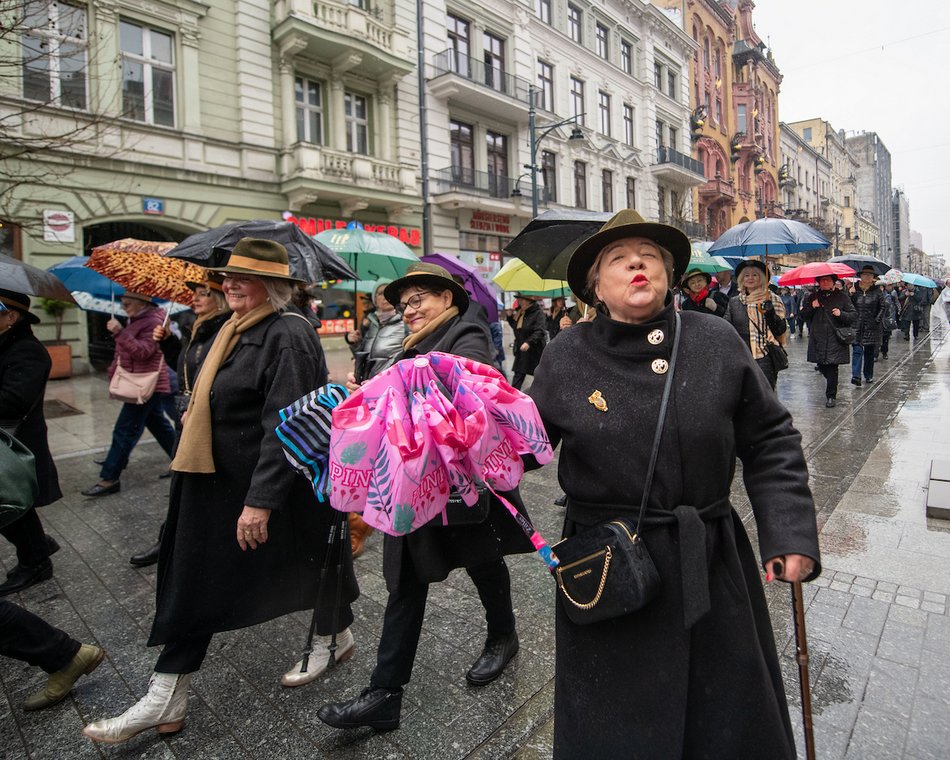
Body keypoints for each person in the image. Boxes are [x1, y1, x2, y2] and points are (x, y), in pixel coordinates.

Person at [527, 209, 820, 759]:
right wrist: (461, 432)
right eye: (617, 257)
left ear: (667, 274)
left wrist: (789, 532)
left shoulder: (715, 340)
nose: (637, 262)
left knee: (724, 720)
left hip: (707, 558)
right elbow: (519, 448)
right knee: (617, 727)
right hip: (607, 566)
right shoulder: (566, 354)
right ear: (595, 285)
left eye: (650, 255)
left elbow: (771, 439)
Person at [82, 239, 359, 743]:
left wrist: (261, 501)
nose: (227, 283)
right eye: (227, 276)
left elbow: (287, 425)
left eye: (243, 277)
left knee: (285, 564)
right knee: (199, 577)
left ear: (273, 286)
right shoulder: (231, 327)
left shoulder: (287, 334)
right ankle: (170, 694)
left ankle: (332, 634)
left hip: (255, 484)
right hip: (212, 477)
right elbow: (216, 388)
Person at [318, 262, 533, 731]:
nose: (409, 310)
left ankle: (503, 635)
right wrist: (371, 389)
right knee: (405, 580)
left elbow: (461, 389)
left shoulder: (466, 332)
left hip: (463, 483)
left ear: (448, 299)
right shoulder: (411, 343)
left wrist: (391, 387)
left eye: (419, 299)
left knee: (483, 561)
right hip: (414, 483)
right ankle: (385, 693)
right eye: (404, 303)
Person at [126, 277, 232, 568]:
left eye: (203, 294)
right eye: (195, 295)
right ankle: (172, 540)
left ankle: (176, 542)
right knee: (181, 478)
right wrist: (169, 343)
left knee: (189, 480)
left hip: (203, 416)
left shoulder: (222, 330)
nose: (196, 299)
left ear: (220, 299)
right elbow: (184, 367)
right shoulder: (196, 328)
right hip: (185, 412)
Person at [81, 293, 177, 497]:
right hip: (141, 382)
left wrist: (119, 333)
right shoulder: (137, 318)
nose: (124, 307)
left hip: (146, 384)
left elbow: (143, 352)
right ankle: (180, 462)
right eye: (122, 303)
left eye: (127, 304)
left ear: (143, 303)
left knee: (124, 430)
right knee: (158, 424)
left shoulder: (152, 321)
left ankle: (110, 477)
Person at [0, 291, 63, 595]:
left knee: (11, 503)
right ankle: (37, 549)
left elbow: (13, 400)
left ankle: (35, 560)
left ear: (11, 317)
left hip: (15, 444)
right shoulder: (6, 345)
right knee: (11, 504)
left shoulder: (27, 351)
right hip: (6, 442)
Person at [344, 279, 407, 558]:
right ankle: (362, 518)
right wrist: (352, 341)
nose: (381, 298)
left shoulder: (403, 322)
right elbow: (364, 357)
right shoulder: (371, 322)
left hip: (388, 397)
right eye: (378, 294)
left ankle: (367, 520)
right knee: (366, 456)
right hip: (367, 394)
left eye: (385, 294)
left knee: (384, 456)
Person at [724, 260, 788, 390]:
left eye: (755, 275)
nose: (750, 278)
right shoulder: (735, 302)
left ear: (762, 277)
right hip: (741, 357)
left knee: (765, 395)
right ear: (742, 279)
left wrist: (770, 313)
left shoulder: (773, 299)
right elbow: (727, 328)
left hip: (765, 356)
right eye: (746, 275)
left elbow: (780, 330)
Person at [799, 274, 857, 408]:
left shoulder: (842, 296)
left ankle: (831, 396)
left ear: (833, 282)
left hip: (834, 338)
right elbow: (802, 316)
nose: (825, 282)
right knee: (822, 365)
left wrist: (841, 314)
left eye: (828, 280)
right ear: (818, 282)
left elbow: (853, 315)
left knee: (832, 367)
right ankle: (831, 385)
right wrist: (812, 307)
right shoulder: (812, 296)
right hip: (817, 338)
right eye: (822, 280)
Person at [849, 266, 885, 386]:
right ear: (861, 276)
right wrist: (851, 295)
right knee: (857, 350)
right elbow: (848, 306)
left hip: (871, 327)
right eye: (865, 275)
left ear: (873, 278)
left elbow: (883, 307)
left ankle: (868, 375)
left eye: (870, 275)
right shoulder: (854, 290)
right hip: (857, 326)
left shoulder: (877, 292)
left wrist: (877, 320)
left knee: (869, 352)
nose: (867, 277)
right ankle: (856, 376)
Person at [506, 293, 547, 389]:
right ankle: (514, 397)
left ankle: (542, 396)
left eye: (521, 299)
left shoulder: (538, 313)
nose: (519, 302)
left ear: (529, 301)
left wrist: (528, 342)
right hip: (522, 350)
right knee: (518, 377)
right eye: (518, 300)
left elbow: (540, 331)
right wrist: (509, 317)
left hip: (534, 350)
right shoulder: (520, 312)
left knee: (539, 376)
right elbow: (517, 328)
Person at [880, 283, 899, 359]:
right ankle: (875, 354)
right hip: (877, 320)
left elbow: (889, 307)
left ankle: (884, 352)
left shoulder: (888, 296)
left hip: (885, 320)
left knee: (885, 338)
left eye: (881, 287)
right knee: (877, 338)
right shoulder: (874, 295)